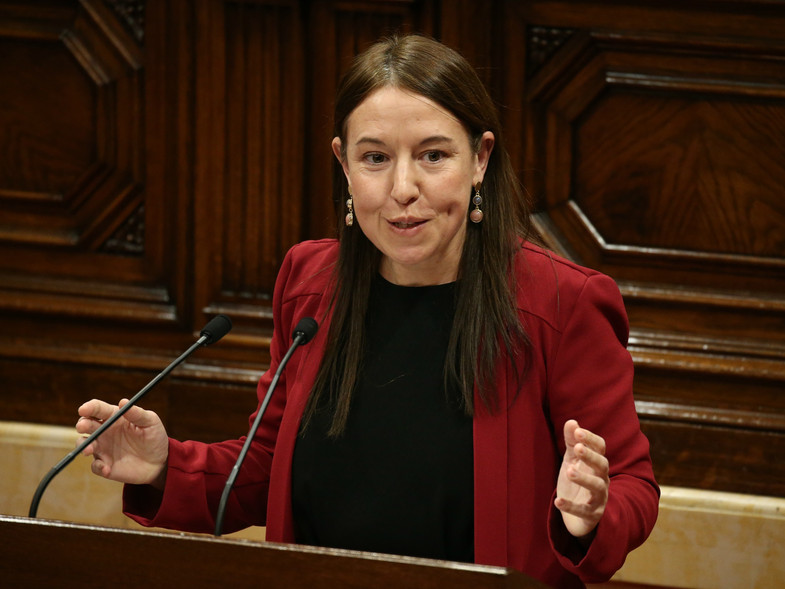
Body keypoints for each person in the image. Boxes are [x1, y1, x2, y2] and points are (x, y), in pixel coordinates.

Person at [76, 34, 659, 588]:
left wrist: (591, 511)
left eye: (433, 155)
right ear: (344, 164)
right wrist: (163, 466)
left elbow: (632, 485)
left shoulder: (561, 302)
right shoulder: (311, 285)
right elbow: (271, 467)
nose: (403, 187)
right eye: (375, 158)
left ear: (480, 158)